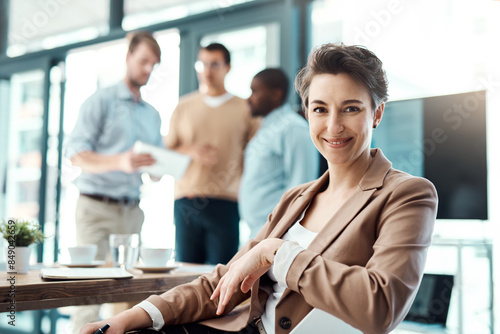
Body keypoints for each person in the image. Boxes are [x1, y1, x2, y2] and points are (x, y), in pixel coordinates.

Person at [81, 43, 438, 334]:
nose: (333, 126)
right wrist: (131, 317)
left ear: (376, 113)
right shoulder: (295, 199)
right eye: (319, 109)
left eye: (350, 109)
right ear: (307, 113)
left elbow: (381, 307)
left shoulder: (407, 195)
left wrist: (276, 253)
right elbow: (224, 280)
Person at [65, 31, 163, 333]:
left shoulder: (153, 115)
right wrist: (118, 161)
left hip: (131, 212)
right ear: (128, 57)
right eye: (143, 61)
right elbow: (75, 154)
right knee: (87, 295)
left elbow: (153, 167)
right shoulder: (101, 101)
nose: (148, 69)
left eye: (154, 64)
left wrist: (159, 167)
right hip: (96, 208)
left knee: (127, 295)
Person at [165, 42, 257, 265]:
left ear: (228, 67)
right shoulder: (183, 107)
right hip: (186, 201)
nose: (207, 71)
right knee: (185, 278)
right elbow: (166, 154)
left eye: (214, 64)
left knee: (221, 277)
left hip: (226, 202)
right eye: (203, 64)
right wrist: (190, 151)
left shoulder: (246, 108)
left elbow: (255, 155)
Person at [240, 68, 318, 239]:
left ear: (275, 95)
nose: (249, 99)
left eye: (255, 92)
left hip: (278, 234)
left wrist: (281, 231)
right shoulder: (266, 129)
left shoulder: (293, 128)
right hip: (259, 232)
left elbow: (302, 186)